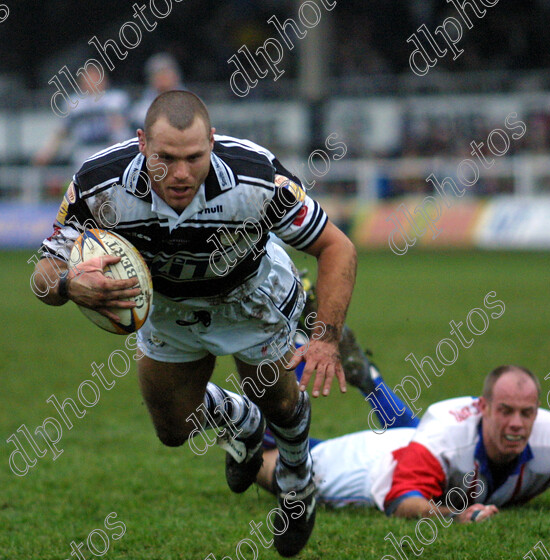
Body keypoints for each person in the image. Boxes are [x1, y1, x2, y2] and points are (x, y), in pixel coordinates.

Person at [32, 90, 357, 556]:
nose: (180, 174)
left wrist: (324, 340)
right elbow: (42, 275)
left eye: (194, 157)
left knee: (280, 403)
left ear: (213, 141)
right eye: (165, 157)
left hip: (250, 296)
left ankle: (298, 481)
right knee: (171, 430)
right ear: (142, 143)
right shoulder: (99, 185)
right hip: (168, 306)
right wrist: (66, 284)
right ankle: (239, 420)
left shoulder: (257, 178)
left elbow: (337, 247)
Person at [255, 365, 550, 523]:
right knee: (286, 470)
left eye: (527, 413)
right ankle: (230, 422)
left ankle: (369, 379)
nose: (517, 424)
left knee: (441, 445)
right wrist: (454, 515)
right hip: (379, 464)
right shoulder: (447, 439)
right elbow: (404, 501)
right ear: (484, 408)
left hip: (419, 441)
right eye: (506, 411)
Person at [34, 65, 132, 169]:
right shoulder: (73, 103)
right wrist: (46, 152)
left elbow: (122, 127)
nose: (92, 82)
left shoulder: (116, 99)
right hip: (83, 151)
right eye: (88, 78)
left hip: (110, 147)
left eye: (95, 77)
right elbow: (61, 131)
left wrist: (119, 148)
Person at [129, 53, 183, 129]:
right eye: (158, 74)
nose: (163, 78)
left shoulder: (190, 100)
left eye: (166, 74)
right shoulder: (142, 107)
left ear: (175, 76)